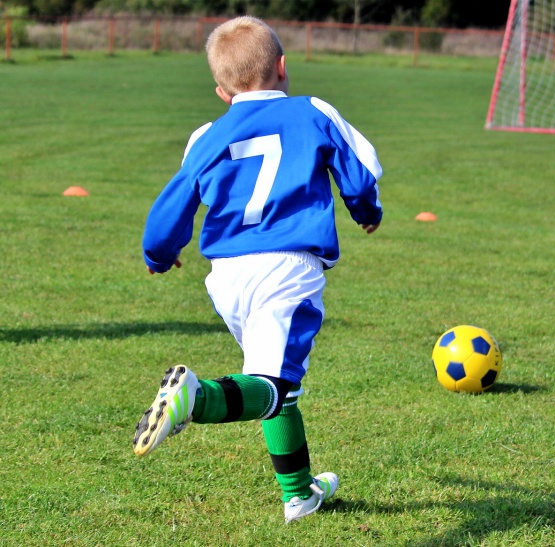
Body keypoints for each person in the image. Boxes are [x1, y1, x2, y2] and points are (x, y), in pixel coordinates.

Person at [133, 15, 383, 523]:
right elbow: (358, 176)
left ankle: (300, 494)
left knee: (276, 383)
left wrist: (160, 253)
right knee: (274, 384)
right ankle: (194, 399)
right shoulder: (312, 110)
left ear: (222, 91)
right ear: (284, 67)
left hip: (226, 275)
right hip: (287, 268)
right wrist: (367, 212)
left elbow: (173, 203)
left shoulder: (206, 134)